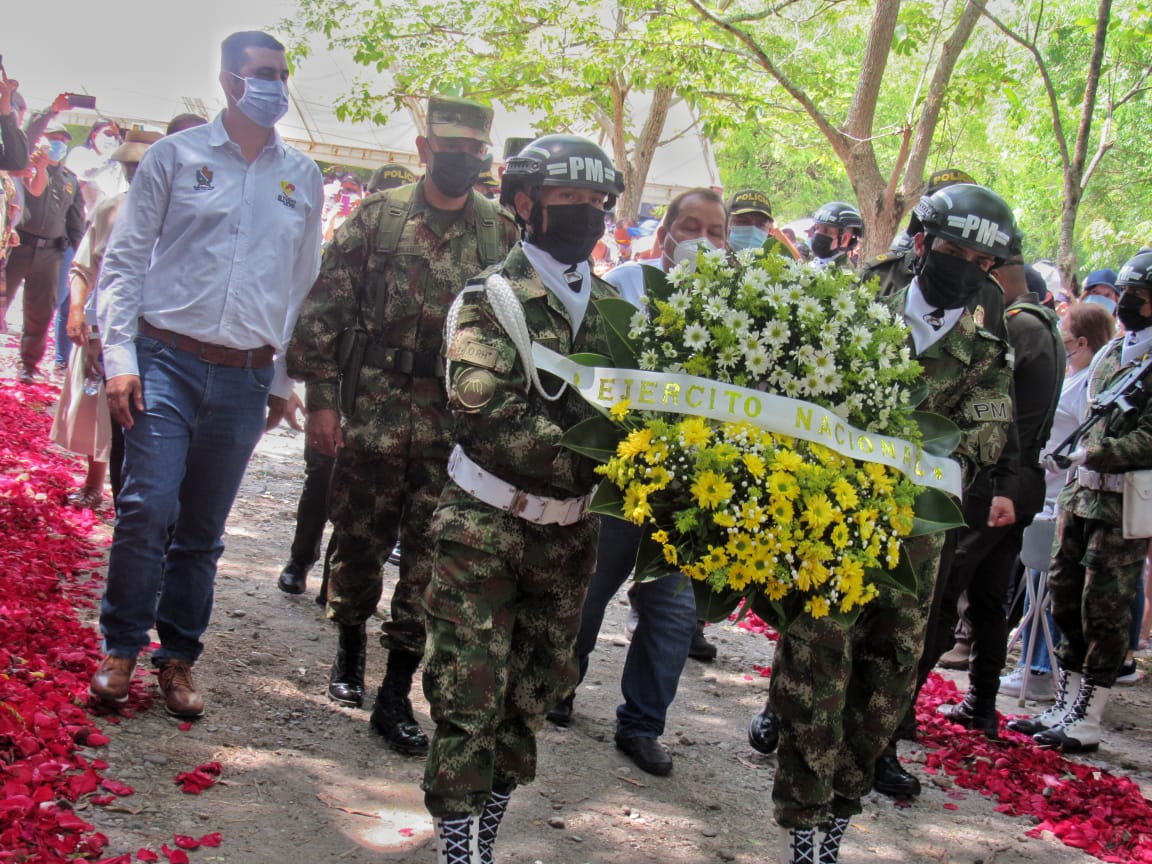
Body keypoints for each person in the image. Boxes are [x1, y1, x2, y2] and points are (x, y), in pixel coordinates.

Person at [769, 183, 1015, 864]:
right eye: (952, 249)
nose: (965, 265)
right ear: (920, 243)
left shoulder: (987, 348)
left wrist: (897, 448)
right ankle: (801, 830)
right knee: (811, 679)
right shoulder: (854, 298)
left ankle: (836, 824)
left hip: (913, 548)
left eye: (979, 259)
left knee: (882, 689)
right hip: (831, 529)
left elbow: (982, 443)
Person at [87, 31, 324, 719]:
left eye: (282, 74)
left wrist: (283, 382)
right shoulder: (176, 157)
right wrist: (120, 359)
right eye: (261, 73)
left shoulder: (301, 177)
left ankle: (179, 658)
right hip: (164, 360)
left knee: (201, 529)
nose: (275, 85)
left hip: (244, 379)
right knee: (146, 508)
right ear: (228, 81)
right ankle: (121, 647)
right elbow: (125, 263)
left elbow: (301, 288)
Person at [287, 96, 517, 756]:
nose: (460, 160)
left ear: (484, 157)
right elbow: (325, 314)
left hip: (453, 428)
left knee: (430, 560)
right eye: (448, 148)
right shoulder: (377, 219)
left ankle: (395, 691)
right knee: (358, 541)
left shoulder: (499, 235)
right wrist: (324, 404)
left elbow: (516, 336)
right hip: (377, 412)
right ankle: (350, 642)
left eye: (473, 151)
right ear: (424, 150)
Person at [421, 132, 623, 864]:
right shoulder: (488, 299)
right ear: (524, 204)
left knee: (532, 694)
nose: (586, 214)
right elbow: (487, 416)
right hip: (485, 528)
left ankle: (486, 831)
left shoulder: (616, 312)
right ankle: (456, 844)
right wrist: (610, 465)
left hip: (569, 542)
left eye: (597, 202)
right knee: (466, 694)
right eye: (569, 199)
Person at [547, 187, 727, 777]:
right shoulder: (626, 284)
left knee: (673, 613)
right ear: (664, 234)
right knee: (591, 588)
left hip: (692, 493)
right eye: (691, 226)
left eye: (715, 231)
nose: (704, 241)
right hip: (625, 473)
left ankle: (643, 725)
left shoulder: (742, 308)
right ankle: (558, 688)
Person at [1008, 250, 1152, 753]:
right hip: (1081, 496)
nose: (1130, 304)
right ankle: (1064, 705)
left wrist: (1098, 452)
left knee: (1105, 609)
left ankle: (1088, 716)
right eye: (1129, 295)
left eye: (1140, 297)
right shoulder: (1115, 354)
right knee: (1065, 598)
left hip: (1123, 506)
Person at [931, 258, 1065, 735]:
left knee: (944, 589)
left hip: (997, 482)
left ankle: (899, 709)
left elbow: (996, 408)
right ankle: (982, 704)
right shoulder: (1047, 325)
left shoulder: (1017, 327)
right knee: (987, 598)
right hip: (1022, 482)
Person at [277, 160, 419, 601]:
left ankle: (335, 581)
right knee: (321, 477)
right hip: (337, 381)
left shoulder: (408, 252)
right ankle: (300, 559)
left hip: (376, 394)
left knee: (364, 489)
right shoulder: (350, 241)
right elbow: (320, 315)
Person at [999, 301, 1115, 700]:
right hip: (1047, 492)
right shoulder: (1073, 377)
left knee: (1049, 588)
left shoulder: (1089, 385)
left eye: (1065, 339)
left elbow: (1085, 439)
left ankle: (1043, 668)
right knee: (1038, 583)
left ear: (1081, 342)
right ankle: (1035, 662)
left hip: (1058, 493)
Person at [51, 129, 162, 511]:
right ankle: (95, 484)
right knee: (98, 406)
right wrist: (79, 312)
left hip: (153, 329)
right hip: (105, 322)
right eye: (129, 166)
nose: (134, 173)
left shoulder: (178, 214)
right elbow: (84, 266)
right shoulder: (110, 209)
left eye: (141, 165)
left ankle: (133, 498)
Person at [5, 119, 85, 384]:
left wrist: (79, 256)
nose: (57, 145)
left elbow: (75, 222)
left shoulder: (70, 180)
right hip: (19, 246)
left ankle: (28, 364)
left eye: (63, 141)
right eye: (53, 138)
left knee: (40, 312)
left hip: (51, 254)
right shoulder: (23, 170)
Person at [805, 201, 862, 269]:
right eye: (817, 228)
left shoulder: (842, 277)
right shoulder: (817, 264)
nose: (818, 234)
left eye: (826, 231)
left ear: (845, 239)